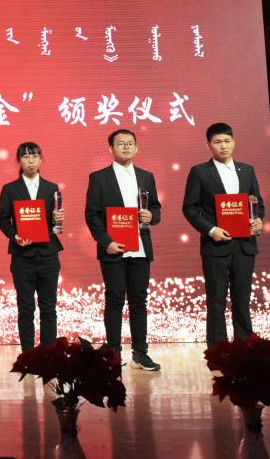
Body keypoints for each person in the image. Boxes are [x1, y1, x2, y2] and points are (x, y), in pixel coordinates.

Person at [182, 123, 265, 348]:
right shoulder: (200, 172)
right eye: (217, 142)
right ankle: (218, 351)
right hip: (215, 245)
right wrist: (211, 230)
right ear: (208, 145)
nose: (223, 146)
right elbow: (189, 208)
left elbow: (257, 203)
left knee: (242, 300)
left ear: (234, 142)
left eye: (227, 141)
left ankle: (245, 348)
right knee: (216, 300)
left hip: (245, 245)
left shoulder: (247, 170)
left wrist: (257, 218)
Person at [85, 129, 162, 370]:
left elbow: (156, 209)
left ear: (136, 147)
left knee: (139, 301)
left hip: (140, 248)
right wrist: (105, 241)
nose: (126, 147)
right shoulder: (99, 177)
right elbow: (92, 215)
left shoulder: (146, 176)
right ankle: (114, 353)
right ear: (111, 149)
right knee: (115, 299)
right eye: (120, 143)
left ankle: (140, 352)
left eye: (130, 143)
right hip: (113, 248)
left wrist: (152, 216)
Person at [0, 142, 63, 352]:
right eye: (25, 156)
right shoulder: (10, 189)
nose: (30, 160)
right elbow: (2, 219)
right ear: (19, 161)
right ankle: (28, 354)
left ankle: (48, 353)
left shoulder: (51, 188)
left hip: (48, 254)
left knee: (48, 307)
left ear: (41, 159)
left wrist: (58, 220)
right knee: (25, 308)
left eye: (34, 156)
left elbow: (55, 225)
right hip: (22, 255)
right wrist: (15, 236)